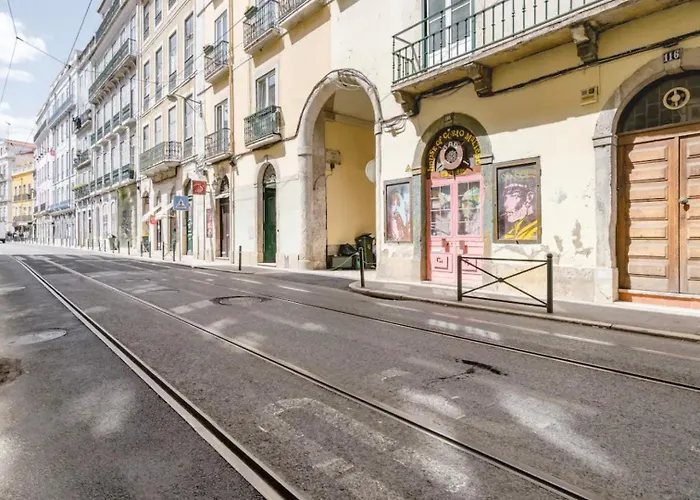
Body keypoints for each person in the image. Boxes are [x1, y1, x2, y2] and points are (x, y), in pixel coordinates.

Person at [499, 169, 538, 241]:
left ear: (529, 197)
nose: (505, 204)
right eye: (505, 198)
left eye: (514, 196)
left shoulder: (535, 230)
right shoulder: (512, 231)